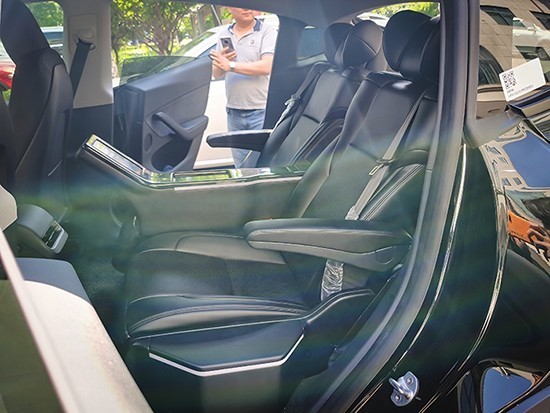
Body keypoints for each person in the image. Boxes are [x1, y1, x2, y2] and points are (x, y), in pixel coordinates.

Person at [210, 8, 277, 168]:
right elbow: (217, 73)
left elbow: (267, 66)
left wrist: (231, 65)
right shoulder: (224, 34)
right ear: (229, 8)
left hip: (260, 110)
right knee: (241, 166)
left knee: (261, 165)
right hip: (234, 111)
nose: (246, 8)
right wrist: (222, 62)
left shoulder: (266, 31)